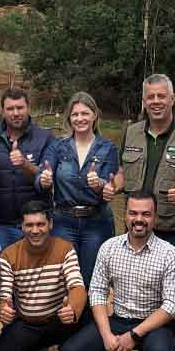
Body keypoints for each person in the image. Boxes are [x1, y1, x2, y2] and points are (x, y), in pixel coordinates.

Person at [52, 192, 175, 351]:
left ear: (155, 217)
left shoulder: (169, 254)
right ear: (125, 215)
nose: (139, 219)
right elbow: (97, 291)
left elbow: (172, 305)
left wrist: (133, 335)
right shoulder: (109, 248)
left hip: (152, 324)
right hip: (119, 319)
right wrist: (106, 335)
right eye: (133, 213)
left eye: (145, 214)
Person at [115, 73, 175, 351]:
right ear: (144, 100)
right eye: (150, 97)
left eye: (162, 96)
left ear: (173, 98)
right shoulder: (132, 132)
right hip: (138, 229)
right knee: (139, 298)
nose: (156, 102)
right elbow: (124, 172)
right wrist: (111, 185)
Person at [0, 201, 87, 351]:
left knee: (83, 327)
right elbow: (4, 295)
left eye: (40, 224)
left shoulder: (65, 249)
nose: (35, 230)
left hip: (58, 320)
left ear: (50, 224)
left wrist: (72, 308)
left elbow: (76, 285)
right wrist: (2, 309)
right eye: (29, 225)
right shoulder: (8, 255)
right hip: (28, 323)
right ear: (22, 227)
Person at [37, 91, 118, 291]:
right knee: (65, 280)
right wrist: (45, 180)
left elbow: (110, 185)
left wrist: (99, 184)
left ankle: (91, 322)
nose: (80, 118)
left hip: (96, 222)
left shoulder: (107, 148)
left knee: (93, 281)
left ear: (94, 115)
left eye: (85, 113)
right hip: (64, 220)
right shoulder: (58, 146)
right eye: (75, 114)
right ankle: (67, 321)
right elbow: (40, 179)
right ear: (69, 118)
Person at [0, 86, 54, 249]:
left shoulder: (45, 138)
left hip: (37, 224)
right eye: (10, 108)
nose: (16, 113)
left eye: (20, 108)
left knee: (38, 273)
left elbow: (46, 180)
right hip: (3, 226)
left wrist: (24, 164)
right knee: (5, 272)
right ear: (3, 111)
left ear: (28, 108)